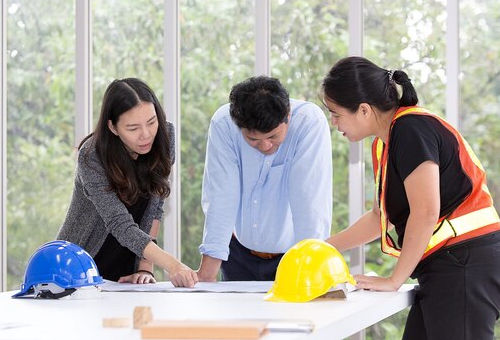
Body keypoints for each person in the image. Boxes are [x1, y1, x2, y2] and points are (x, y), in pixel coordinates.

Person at [321, 56, 500, 339]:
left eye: (336, 113)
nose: (333, 122)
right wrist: (323, 248)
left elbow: (426, 211)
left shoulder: (410, 129)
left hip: (465, 262)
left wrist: (394, 280)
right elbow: (380, 218)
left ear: (364, 110)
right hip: (449, 265)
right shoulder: (388, 142)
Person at [57, 78, 198, 288]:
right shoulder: (92, 155)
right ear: (113, 127)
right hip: (79, 266)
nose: (146, 135)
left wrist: (144, 267)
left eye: (151, 122)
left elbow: (155, 207)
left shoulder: (165, 136)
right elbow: (118, 222)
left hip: (127, 267)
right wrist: (172, 265)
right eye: (133, 128)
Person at [197, 76, 333, 282]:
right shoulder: (224, 124)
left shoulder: (309, 122)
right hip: (238, 255)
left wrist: (311, 268)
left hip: (293, 257)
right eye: (252, 139)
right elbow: (222, 196)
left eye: (273, 137)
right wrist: (205, 277)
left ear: (288, 115)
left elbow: (309, 201)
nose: (265, 146)